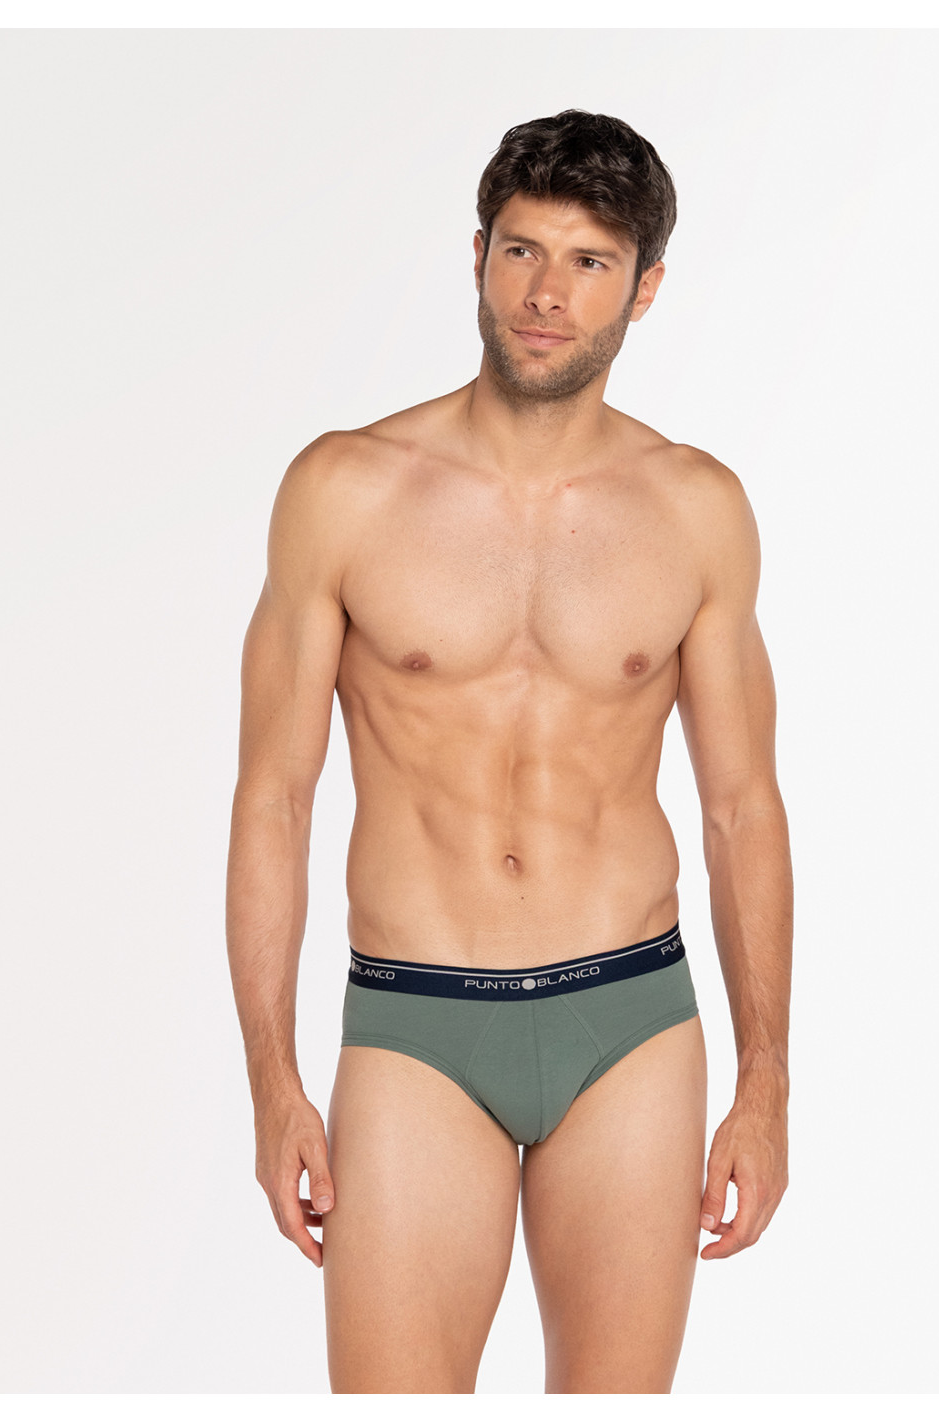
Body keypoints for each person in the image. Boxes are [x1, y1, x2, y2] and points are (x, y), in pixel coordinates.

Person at [225, 108, 793, 1395]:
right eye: (522, 250)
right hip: (418, 1024)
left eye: (590, 262)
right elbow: (273, 800)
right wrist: (271, 1082)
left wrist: (764, 1083)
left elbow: (741, 809)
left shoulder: (695, 509)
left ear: (644, 288)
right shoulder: (344, 490)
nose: (546, 293)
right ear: (476, 253)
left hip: (628, 1021)